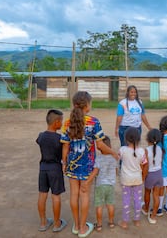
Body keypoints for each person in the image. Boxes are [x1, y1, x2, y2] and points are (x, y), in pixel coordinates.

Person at [61, 91, 118, 238]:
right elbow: (100, 146)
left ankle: (76, 224)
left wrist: (64, 163)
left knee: (74, 194)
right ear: (87, 105)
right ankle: (82, 228)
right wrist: (113, 152)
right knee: (84, 194)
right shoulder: (94, 122)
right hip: (87, 165)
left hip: (72, 165)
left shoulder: (67, 123)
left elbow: (65, 146)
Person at [36, 109, 67, 232]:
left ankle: (43, 222)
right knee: (56, 196)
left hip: (43, 168)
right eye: (61, 122)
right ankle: (56, 223)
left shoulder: (41, 136)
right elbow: (64, 152)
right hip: (55, 169)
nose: (62, 124)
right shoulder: (60, 138)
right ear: (56, 122)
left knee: (42, 195)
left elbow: (39, 142)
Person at [118, 127, 148, 229]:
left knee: (126, 200)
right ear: (139, 139)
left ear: (126, 139)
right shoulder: (142, 151)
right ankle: (137, 220)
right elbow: (144, 165)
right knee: (137, 200)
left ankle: (125, 222)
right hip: (137, 179)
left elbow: (119, 158)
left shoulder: (122, 150)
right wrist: (143, 177)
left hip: (126, 180)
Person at [93, 136, 118, 232]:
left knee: (99, 205)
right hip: (111, 185)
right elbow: (116, 171)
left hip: (100, 185)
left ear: (99, 147)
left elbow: (96, 172)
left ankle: (99, 225)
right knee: (110, 204)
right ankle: (111, 222)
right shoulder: (114, 158)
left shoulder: (98, 158)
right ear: (110, 146)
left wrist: (88, 181)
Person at [142, 129, 163, 224]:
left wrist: (143, 177)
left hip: (150, 175)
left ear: (147, 139)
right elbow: (160, 162)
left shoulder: (146, 150)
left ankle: (146, 209)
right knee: (156, 195)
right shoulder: (160, 149)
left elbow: (145, 166)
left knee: (147, 193)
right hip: (159, 174)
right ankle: (153, 215)